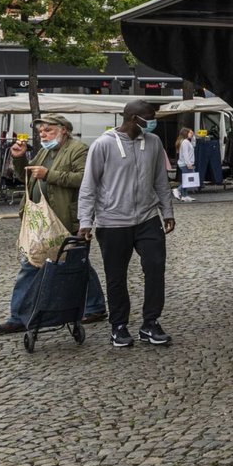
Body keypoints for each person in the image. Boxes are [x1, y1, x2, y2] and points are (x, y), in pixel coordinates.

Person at [0, 115, 107, 334]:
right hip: (41, 220)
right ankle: (93, 305)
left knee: (71, 263)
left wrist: (49, 175)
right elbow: (28, 177)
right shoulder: (44, 151)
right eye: (40, 131)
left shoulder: (79, 149)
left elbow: (85, 179)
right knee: (40, 263)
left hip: (65, 218)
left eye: (48, 130)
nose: (42, 134)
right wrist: (19, 158)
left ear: (64, 130)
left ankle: (19, 316)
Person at [77, 100, 174, 348]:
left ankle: (150, 323)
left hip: (148, 219)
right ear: (133, 118)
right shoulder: (103, 145)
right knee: (116, 276)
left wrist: (167, 211)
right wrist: (86, 221)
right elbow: (89, 185)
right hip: (113, 222)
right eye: (149, 117)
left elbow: (161, 180)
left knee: (155, 268)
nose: (153, 121)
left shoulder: (154, 143)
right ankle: (118, 326)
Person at [173, 127, 197, 203]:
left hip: (184, 164)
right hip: (186, 164)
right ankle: (177, 190)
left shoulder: (186, 141)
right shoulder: (185, 142)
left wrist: (193, 137)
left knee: (186, 180)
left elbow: (193, 145)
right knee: (188, 181)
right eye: (190, 132)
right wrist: (188, 164)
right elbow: (185, 154)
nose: (191, 133)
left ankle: (184, 196)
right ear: (185, 133)